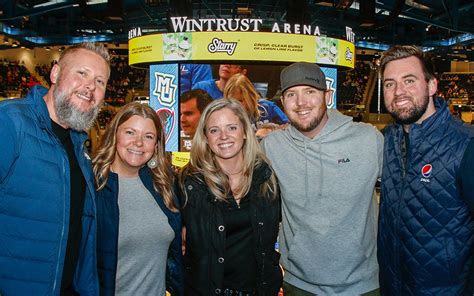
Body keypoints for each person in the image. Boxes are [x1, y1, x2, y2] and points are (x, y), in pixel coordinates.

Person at [261, 62, 383, 295]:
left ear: (327, 96)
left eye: (310, 91)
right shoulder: (272, 147)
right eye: (291, 94)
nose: (301, 103)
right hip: (299, 284)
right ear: (283, 103)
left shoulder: (368, 139)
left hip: (363, 284)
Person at [0, 42, 110, 295]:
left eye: (100, 81)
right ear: (55, 73)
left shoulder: (79, 147)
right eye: (81, 73)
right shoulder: (9, 122)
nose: (90, 86)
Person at [377, 45, 474, 295]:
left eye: (409, 80)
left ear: (432, 86)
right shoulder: (386, 140)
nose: (399, 92)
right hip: (393, 286)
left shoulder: (465, 145)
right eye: (390, 84)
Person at [177, 99, 282, 295]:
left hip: (259, 290)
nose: (223, 136)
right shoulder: (189, 183)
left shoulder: (266, 177)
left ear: (244, 132)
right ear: (206, 137)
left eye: (231, 127)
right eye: (214, 130)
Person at [92, 102, 183, 295]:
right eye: (130, 132)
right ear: (115, 134)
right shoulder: (94, 188)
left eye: (148, 136)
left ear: (156, 144)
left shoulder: (164, 186)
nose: (138, 142)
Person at [224, 73, 288, 132]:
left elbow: (288, 126)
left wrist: (272, 130)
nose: (236, 105)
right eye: (232, 102)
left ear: (250, 96)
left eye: (241, 100)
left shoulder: (268, 107)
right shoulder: (225, 117)